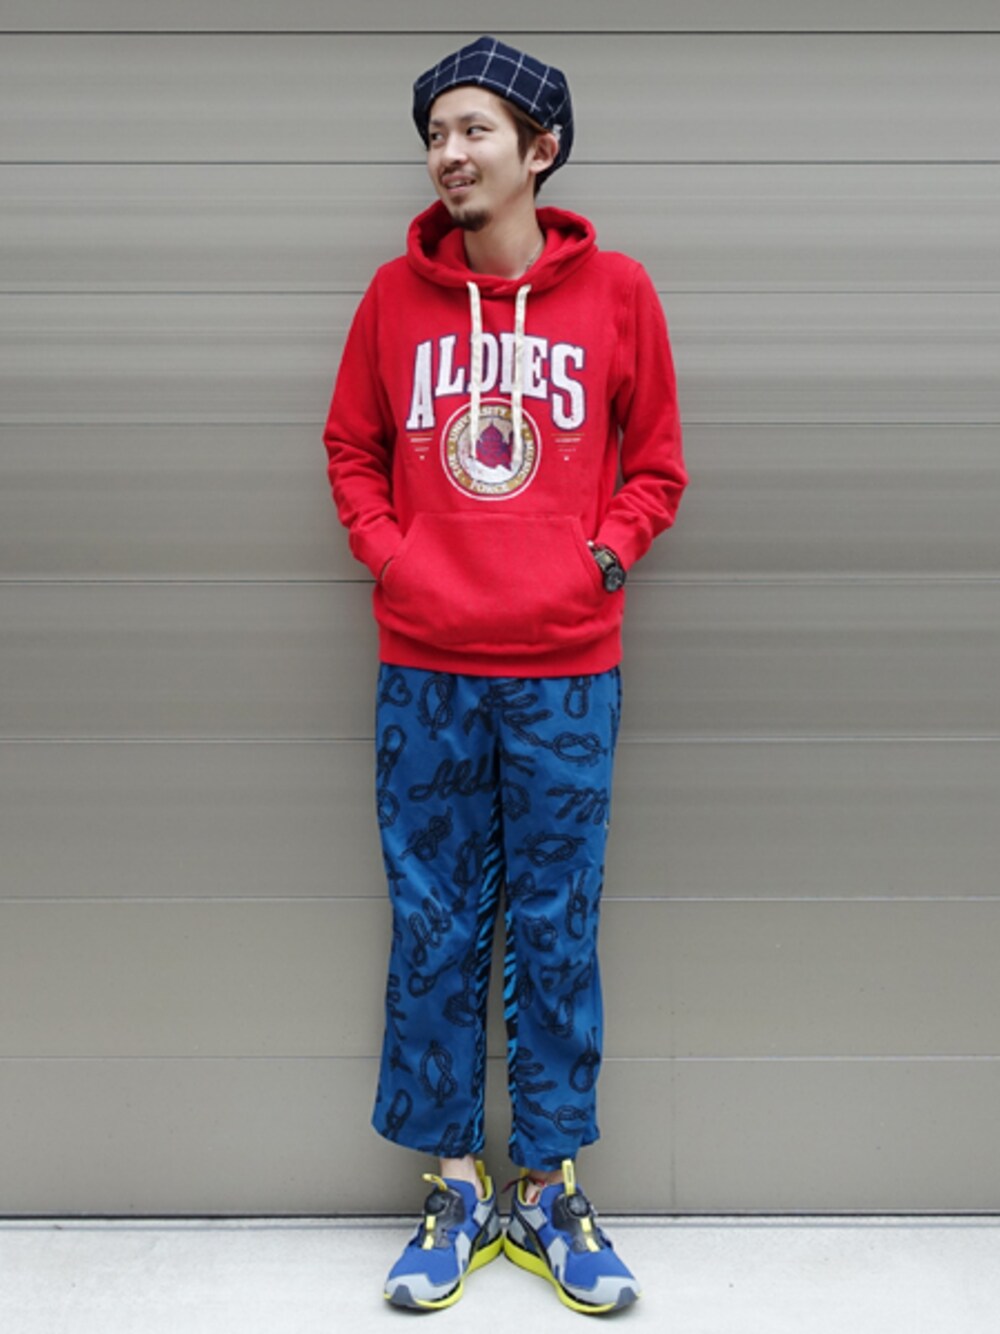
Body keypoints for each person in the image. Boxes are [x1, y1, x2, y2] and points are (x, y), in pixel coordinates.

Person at [323, 35, 686, 1315]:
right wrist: (396, 557)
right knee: (432, 922)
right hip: (425, 665)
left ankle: (548, 1187)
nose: (448, 154)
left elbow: (658, 466)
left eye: (473, 130)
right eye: (434, 134)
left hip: (565, 670)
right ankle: (454, 1187)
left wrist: (603, 557)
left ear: (540, 149)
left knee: (556, 923)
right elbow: (350, 449)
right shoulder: (392, 298)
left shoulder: (619, 294)